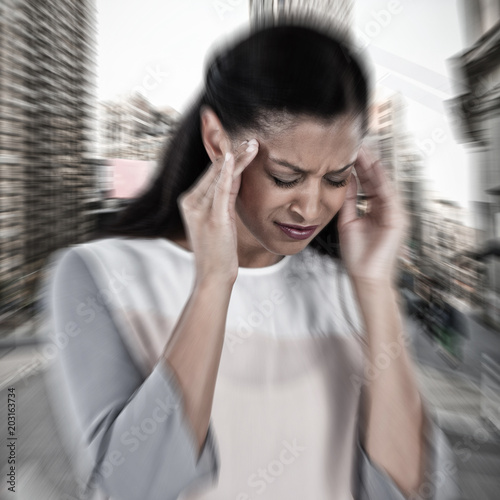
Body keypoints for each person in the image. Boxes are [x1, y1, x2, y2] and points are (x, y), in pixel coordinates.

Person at [39, 19, 460, 500]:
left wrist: (375, 288)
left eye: (336, 177)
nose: (311, 207)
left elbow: (414, 491)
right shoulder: (99, 275)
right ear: (219, 142)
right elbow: (130, 489)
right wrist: (214, 283)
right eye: (286, 176)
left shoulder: (347, 292)